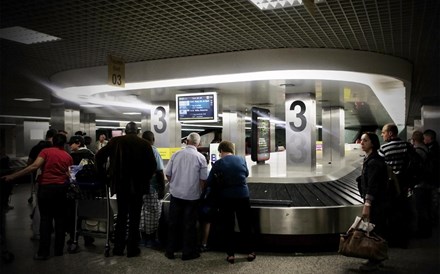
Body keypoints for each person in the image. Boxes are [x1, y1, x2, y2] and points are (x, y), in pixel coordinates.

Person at [2, 133, 73, 260]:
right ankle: (58, 251)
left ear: (53, 142)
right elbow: (68, 173)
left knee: (46, 219)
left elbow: (35, 166)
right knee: (60, 220)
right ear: (64, 144)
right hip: (61, 189)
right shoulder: (68, 156)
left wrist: (12, 176)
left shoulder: (46, 151)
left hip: (46, 188)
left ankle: (43, 253)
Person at [95, 122, 156, 258]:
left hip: (121, 186)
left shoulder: (116, 142)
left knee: (122, 217)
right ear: (137, 131)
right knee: (135, 218)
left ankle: (118, 248)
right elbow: (152, 166)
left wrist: (104, 176)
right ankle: (132, 249)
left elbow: (99, 157)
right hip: (138, 187)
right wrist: (144, 178)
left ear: (126, 131)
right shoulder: (145, 144)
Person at [207, 140, 255, 264]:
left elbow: (210, 181)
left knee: (228, 225)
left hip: (226, 198)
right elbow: (246, 173)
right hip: (243, 196)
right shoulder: (241, 159)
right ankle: (250, 251)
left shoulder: (218, 163)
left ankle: (231, 254)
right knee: (245, 224)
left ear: (221, 151)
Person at [165, 132, 208, 261]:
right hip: (192, 197)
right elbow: (203, 180)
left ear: (187, 141)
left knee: (173, 223)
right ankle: (187, 253)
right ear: (198, 144)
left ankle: (170, 251)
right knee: (189, 225)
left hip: (176, 195)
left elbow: (167, 174)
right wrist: (200, 191)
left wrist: (174, 184)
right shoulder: (201, 158)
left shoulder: (176, 155)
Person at [357, 132, 389, 271]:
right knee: (375, 228)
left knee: (374, 229)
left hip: (376, 202)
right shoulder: (370, 159)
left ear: (373, 143)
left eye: (365, 140)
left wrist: (367, 203)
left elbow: (373, 184)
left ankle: (374, 260)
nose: (362, 143)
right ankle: (377, 257)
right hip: (379, 200)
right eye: (362, 140)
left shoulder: (374, 162)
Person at [378, 123, 411, 248]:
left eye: (383, 132)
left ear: (390, 133)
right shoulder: (407, 146)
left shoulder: (384, 148)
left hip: (390, 186)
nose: (382, 134)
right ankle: (403, 240)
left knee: (391, 212)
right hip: (404, 184)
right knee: (403, 211)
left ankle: (392, 239)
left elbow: (381, 168)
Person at [66, 135, 96, 252]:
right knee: (87, 213)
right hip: (89, 191)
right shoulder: (92, 154)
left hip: (75, 189)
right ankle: (88, 237)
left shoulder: (72, 156)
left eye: (71, 143)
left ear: (78, 143)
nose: (70, 146)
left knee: (74, 214)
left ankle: (73, 238)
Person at [27, 128, 58, 241]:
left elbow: (29, 163)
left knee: (40, 206)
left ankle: (38, 232)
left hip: (39, 180)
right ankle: (50, 229)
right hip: (54, 182)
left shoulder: (36, 148)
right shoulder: (53, 149)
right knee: (51, 207)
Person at [139, 131, 165, 248]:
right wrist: (162, 190)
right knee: (153, 214)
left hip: (138, 188)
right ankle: (151, 240)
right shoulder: (153, 150)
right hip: (151, 187)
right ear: (153, 139)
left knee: (142, 213)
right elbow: (159, 171)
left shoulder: (137, 150)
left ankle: (143, 239)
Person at [423, 129, 440, 227]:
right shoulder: (434, 148)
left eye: (425, 137)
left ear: (429, 138)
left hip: (432, 181)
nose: (424, 139)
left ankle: (433, 222)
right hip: (435, 180)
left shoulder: (431, 150)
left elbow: (431, 167)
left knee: (433, 203)